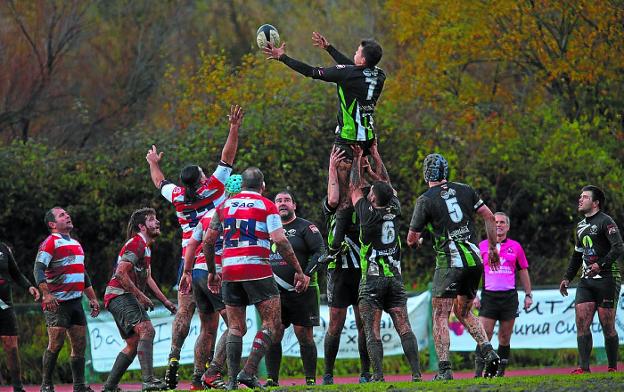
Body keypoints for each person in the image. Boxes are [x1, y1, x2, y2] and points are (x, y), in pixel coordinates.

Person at [264, 32, 386, 259]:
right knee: (375, 187)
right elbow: (355, 69)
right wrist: (329, 48)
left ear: (361, 59)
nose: (354, 54)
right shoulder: (379, 75)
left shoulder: (349, 74)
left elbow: (313, 72)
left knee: (343, 194)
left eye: (357, 52)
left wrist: (284, 58)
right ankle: (377, 232)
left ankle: (335, 245)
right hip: (369, 140)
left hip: (349, 140)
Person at [146, 105, 243, 389]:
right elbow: (227, 157)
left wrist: (153, 161)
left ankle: (174, 362)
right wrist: (234, 127)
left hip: (186, 261)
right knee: (225, 322)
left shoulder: (177, 195)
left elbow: (159, 182)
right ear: (201, 179)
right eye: (203, 171)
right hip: (212, 258)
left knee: (185, 314)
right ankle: (208, 373)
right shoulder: (212, 188)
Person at [202, 167, 309, 389]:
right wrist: (298, 269)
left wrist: (213, 270)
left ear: (241, 186)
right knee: (272, 324)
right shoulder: (267, 205)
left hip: (230, 270)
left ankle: (231, 381)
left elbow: (208, 241)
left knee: (235, 327)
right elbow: (280, 241)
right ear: (263, 186)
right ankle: (248, 372)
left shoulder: (224, 206)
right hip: (257, 269)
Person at [407, 153, 501, 380]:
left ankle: (444, 370)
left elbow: (411, 238)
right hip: (475, 260)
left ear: (425, 173)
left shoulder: (425, 200)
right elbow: (489, 216)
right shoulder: (466, 189)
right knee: (464, 311)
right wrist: (492, 248)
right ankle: (488, 351)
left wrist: (417, 242)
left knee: (440, 314)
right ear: (446, 171)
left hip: (449, 262)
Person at [348, 145, 421, 383]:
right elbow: (387, 187)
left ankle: (378, 376)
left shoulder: (367, 214)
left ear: (372, 198)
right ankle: (417, 374)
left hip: (372, 279)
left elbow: (354, 189)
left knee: (373, 329)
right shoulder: (394, 209)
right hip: (395, 279)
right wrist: (376, 157)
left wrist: (359, 158)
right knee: (403, 325)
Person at [322, 146, 385, 385]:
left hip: (363, 269)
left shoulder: (367, 198)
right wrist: (331, 166)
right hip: (338, 271)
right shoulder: (333, 202)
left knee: (364, 323)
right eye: (342, 168)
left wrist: (365, 164)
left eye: (348, 168)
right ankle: (328, 373)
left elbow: (386, 189)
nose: (345, 171)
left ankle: (365, 372)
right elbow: (334, 199)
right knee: (335, 323)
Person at [177, 175, 243, 390]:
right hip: (216, 273)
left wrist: (187, 272)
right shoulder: (238, 212)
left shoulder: (207, 215)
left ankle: (197, 380)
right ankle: (213, 372)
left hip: (197, 272)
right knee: (236, 326)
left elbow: (192, 244)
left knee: (207, 328)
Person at [102, 208, 177, 392]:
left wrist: (165, 302)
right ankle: (148, 381)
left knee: (133, 343)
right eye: (152, 220)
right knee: (147, 330)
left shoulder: (145, 247)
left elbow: (148, 278)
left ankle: (110, 387)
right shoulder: (137, 243)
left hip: (117, 296)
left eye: (157, 218)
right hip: (119, 295)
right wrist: (140, 296)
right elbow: (120, 273)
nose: (157, 222)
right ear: (142, 227)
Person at [33, 207, 100, 392]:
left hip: (76, 302)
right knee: (56, 343)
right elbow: (38, 269)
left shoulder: (77, 244)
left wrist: (93, 298)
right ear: (52, 224)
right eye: (62, 215)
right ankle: (46, 384)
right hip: (57, 303)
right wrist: (46, 294)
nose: (68, 215)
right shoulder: (49, 243)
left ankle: (79, 386)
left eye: (67, 213)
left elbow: (82, 273)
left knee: (79, 344)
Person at [560, 185, 624, 374]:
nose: (580, 199)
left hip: (607, 278)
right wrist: (567, 278)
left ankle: (612, 367)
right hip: (586, 281)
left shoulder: (606, 221)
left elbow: (619, 247)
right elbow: (576, 255)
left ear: (595, 203)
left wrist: (601, 264)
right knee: (582, 322)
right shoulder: (580, 226)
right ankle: (583, 367)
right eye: (580, 196)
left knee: (607, 325)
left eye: (585, 197)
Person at [264, 191, 325, 387]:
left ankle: (310, 381)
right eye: (279, 201)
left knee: (304, 336)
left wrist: (307, 274)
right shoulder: (267, 228)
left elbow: (320, 252)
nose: (283, 204)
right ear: (273, 206)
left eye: (287, 200)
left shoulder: (306, 227)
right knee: (274, 334)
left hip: (301, 291)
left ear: (294, 205)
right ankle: (272, 380)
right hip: (274, 292)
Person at [473, 212, 533, 377]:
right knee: (485, 335)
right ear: (491, 226)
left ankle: (500, 373)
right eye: (495, 222)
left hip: (509, 297)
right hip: (489, 297)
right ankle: (478, 372)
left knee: (505, 337)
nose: (498, 225)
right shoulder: (482, 246)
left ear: (507, 226)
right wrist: (474, 295)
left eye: (501, 222)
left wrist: (528, 294)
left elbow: (523, 271)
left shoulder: (516, 246)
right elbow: (474, 272)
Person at [0, 241, 40, 392]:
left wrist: (29, 286)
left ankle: (18, 387)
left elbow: (15, 273)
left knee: (11, 346)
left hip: (4, 304)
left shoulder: (3, 248)